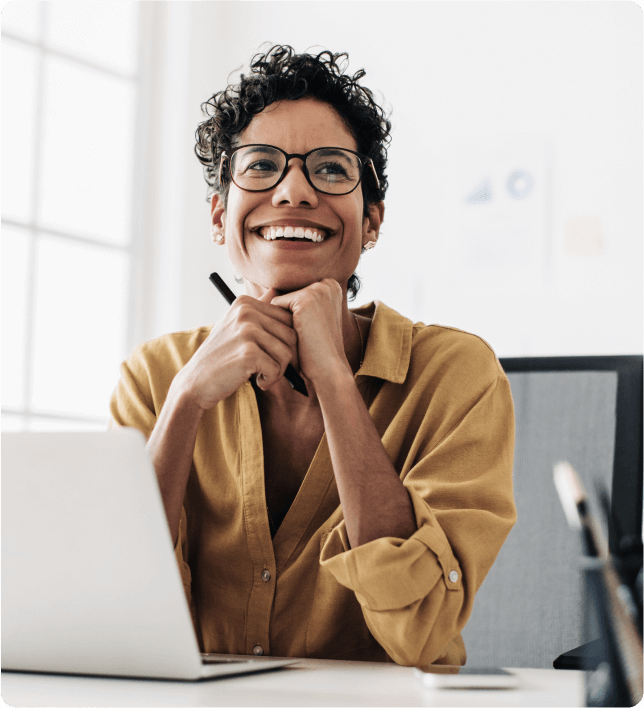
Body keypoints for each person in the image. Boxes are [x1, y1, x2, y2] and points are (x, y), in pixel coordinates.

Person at [110, 45, 516, 666]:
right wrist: (187, 400)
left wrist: (332, 377)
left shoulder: (456, 374)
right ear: (220, 216)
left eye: (330, 169)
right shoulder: (155, 377)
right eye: (261, 166)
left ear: (372, 220)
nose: (294, 191)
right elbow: (113, 615)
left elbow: (422, 628)